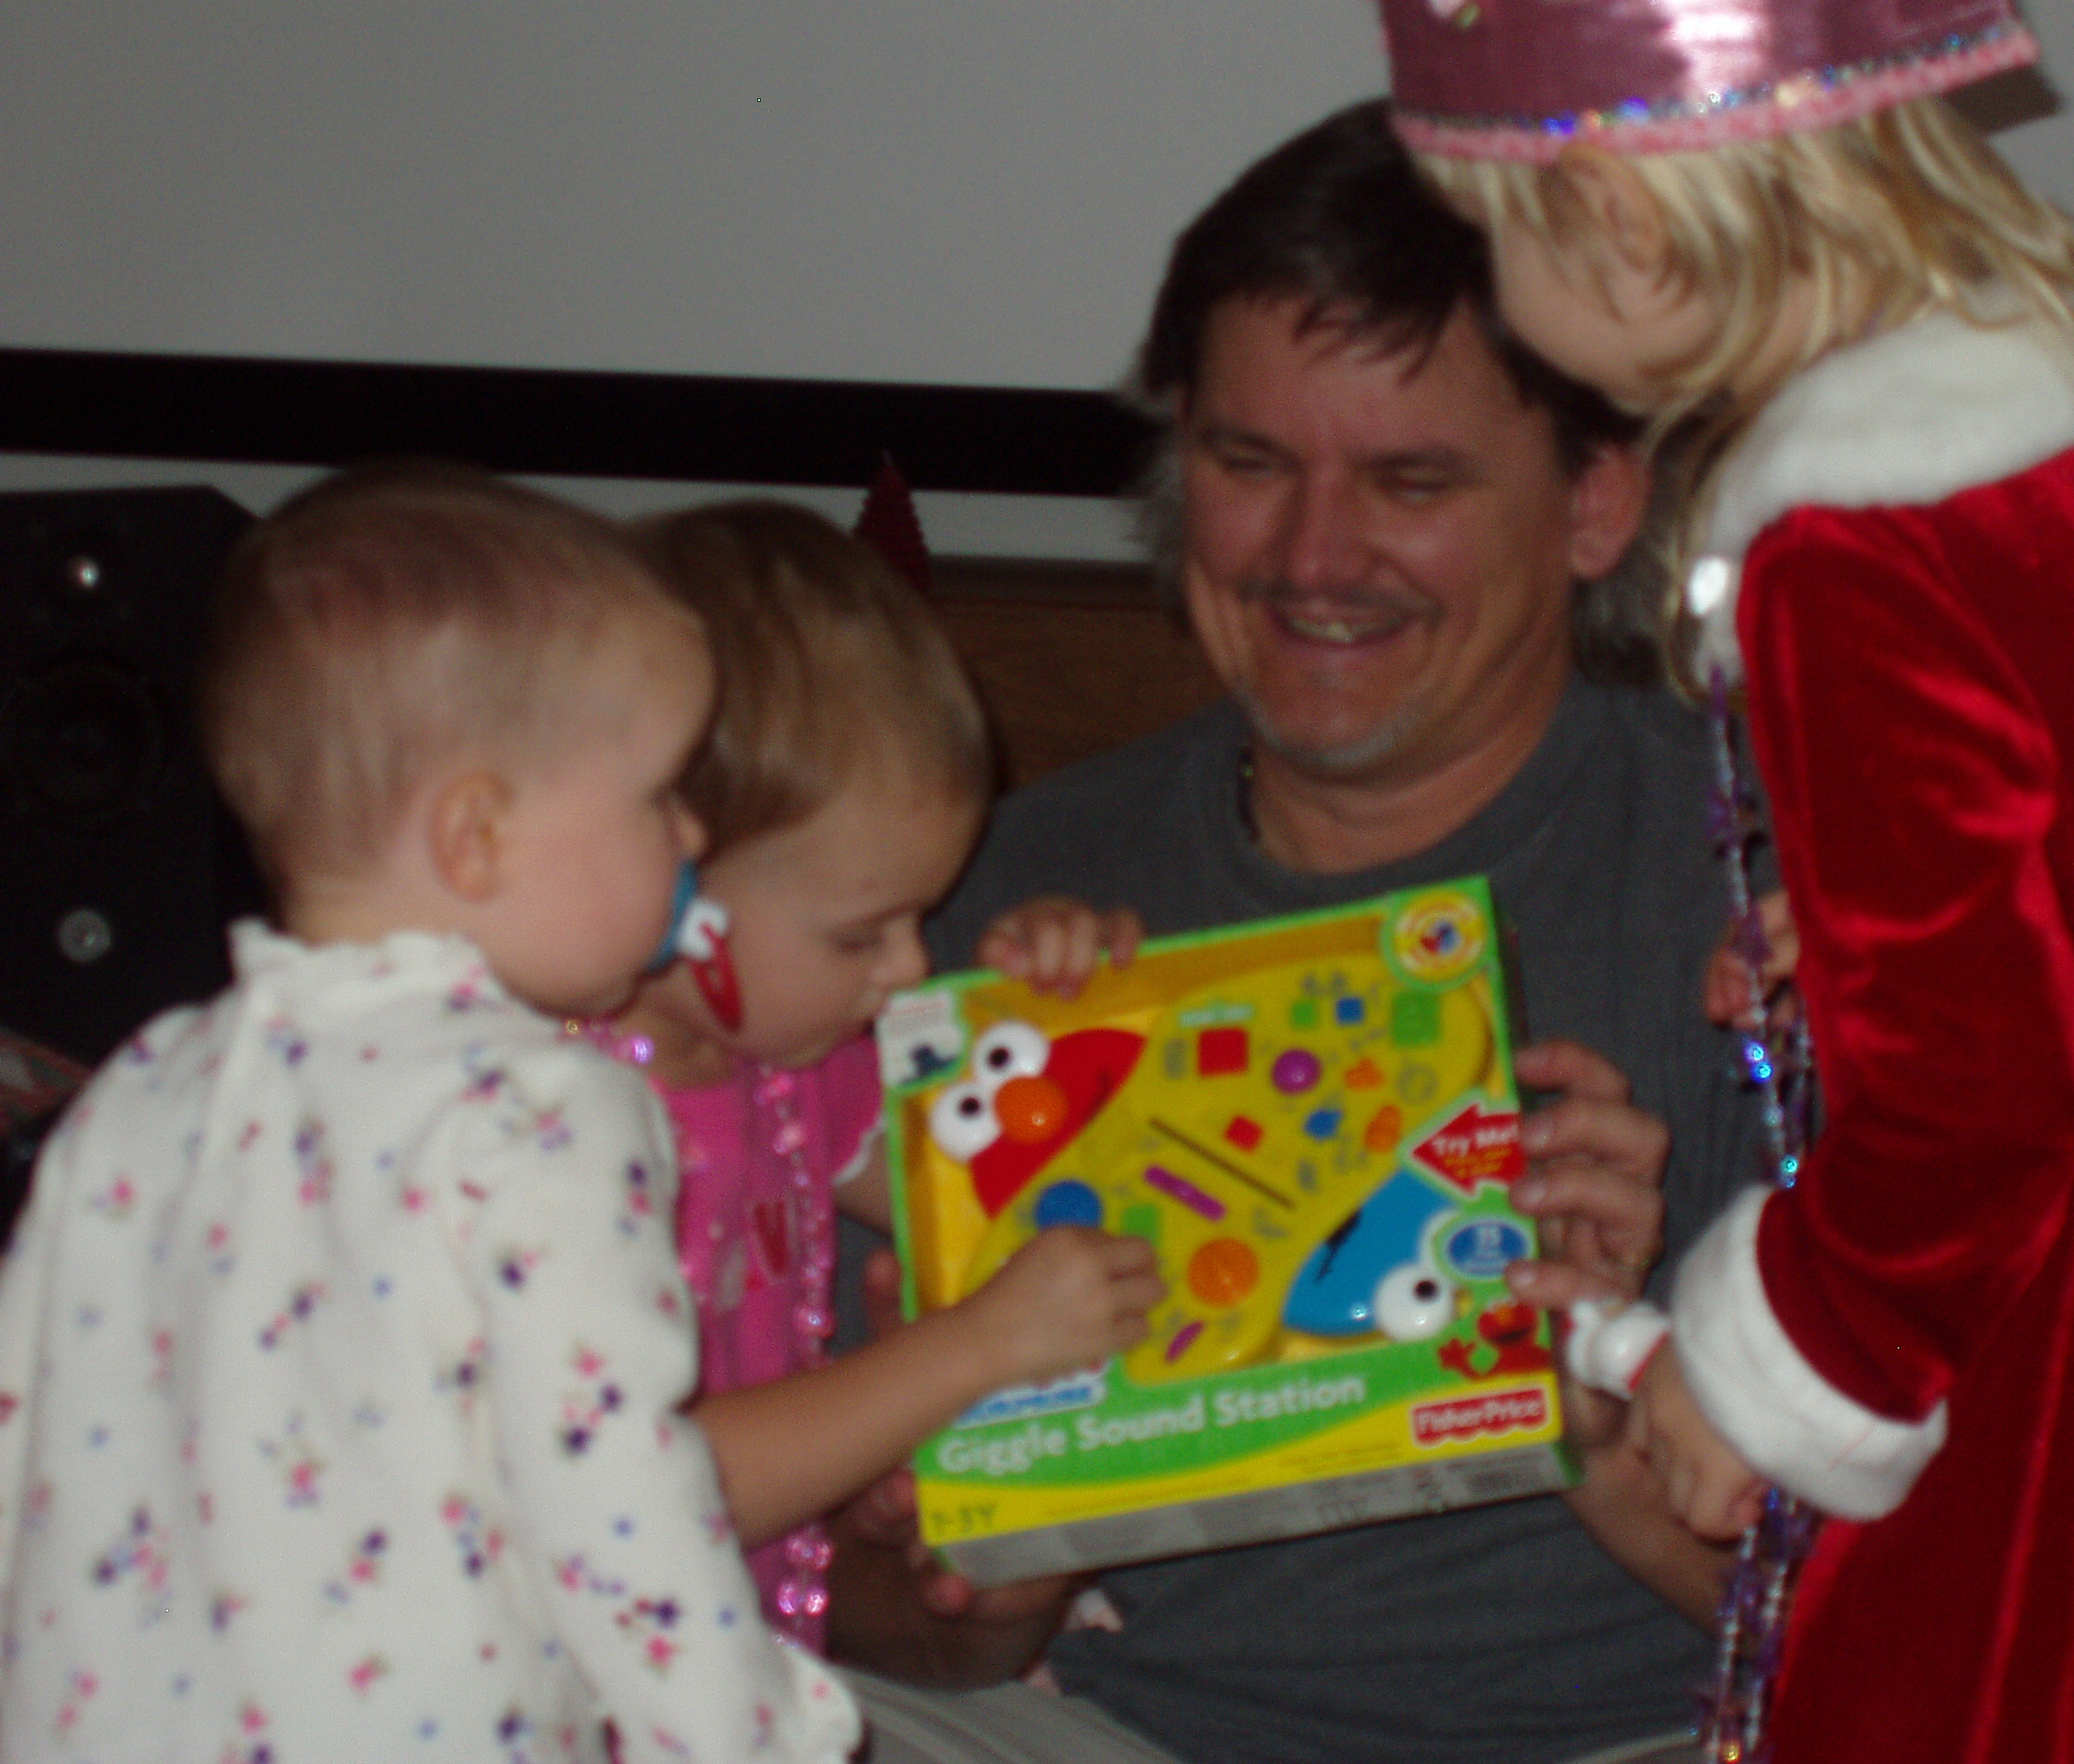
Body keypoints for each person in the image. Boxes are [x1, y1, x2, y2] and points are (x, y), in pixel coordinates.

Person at [1383, 1, 2074, 1758]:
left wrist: (1779, 1375)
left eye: (1490, 235)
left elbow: (1990, 1086)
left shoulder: (1843, 560)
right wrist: (1892, 928)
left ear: (1620, 214)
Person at [825, 102, 1766, 1764]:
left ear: (1595, 503)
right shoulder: (992, 906)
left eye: (1411, 481)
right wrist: (994, 1527)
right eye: (1251, 465)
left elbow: (1959, 1633)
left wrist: (1619, 1439)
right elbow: (873, 1621)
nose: (1313, 559)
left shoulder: (1772, 896)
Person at [0, 464, 860, 1761]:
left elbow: (26, 1432)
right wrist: (752, 1731)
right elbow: (613, 1488)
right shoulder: (541, 1110)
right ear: (476, 837)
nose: (692, 836)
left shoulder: (144, 1083)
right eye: (657, 797)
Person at [590, 500, 1162, 1649]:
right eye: (862, 935)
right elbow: (640, 1494)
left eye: (920, 918)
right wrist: (971, 1349)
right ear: (657, 885)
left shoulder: (790, 1073)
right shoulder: (546, 1131)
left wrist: (1048, 1017)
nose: (910, 967)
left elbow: (1019, 1194)